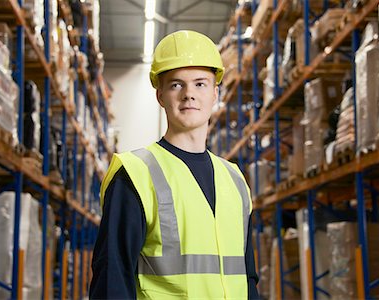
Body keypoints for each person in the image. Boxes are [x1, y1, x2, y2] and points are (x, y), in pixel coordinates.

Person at [90, 30, 259, 299]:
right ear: (160, 96)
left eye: (200, 84)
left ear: (215, 93)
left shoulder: (235, 180)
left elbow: (247, 277)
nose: (189, 94)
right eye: (176, 84)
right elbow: (112, 279)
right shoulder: (135, 174)